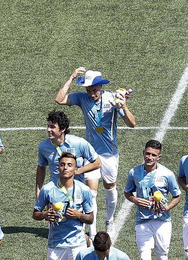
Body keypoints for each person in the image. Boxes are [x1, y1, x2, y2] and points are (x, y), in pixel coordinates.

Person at [56, 68, 137, 230]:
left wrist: (124, 106)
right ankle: (92, 232)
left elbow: (132, 124)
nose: (92, 94)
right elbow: (59, 99)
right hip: (91, 153)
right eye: (89, 90)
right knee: (91, 192)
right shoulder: (82, 98)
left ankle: (109, 219)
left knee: (110, 187)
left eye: (94, 90)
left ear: (100, 87)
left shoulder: (112, 99)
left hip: (110, 154)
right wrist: (72, 77)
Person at [123, 139, 181, 260]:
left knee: (162, 256)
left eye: (153, 155)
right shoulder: (134, 172)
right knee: (144, 258)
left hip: (162, 221)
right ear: (143, 153)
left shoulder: (167, 174)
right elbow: (127, 192)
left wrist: (167, 207)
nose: (149, 157)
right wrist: (135, 200)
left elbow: (177, 196)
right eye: (147, 154)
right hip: (143, 221)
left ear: (159, 157)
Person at [36, 110, 101, 238]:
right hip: (56, 191)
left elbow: (97, 162)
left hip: (76, 190)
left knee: (78, 230)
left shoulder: (79, 143)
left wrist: (77, 171)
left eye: (52, 127)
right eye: (48, 126)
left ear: (63, 129)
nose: (48, 129)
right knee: (55, 227)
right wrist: (38, 192)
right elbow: (41, 168)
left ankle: (91, 236)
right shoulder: (43, 147)